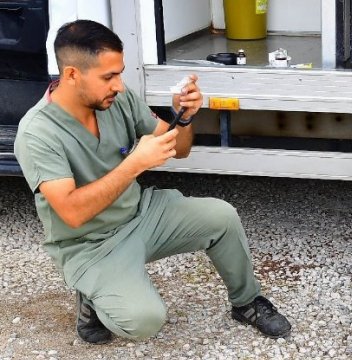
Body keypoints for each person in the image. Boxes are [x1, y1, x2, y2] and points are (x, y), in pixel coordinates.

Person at [14, 19, 291, 344]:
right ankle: (91, 294)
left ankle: (246, 302)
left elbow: (181, 148)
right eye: (109, 76)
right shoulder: (37, 132)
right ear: (72, 74)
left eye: (119, 73)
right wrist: (134, 164)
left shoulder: (117, 99)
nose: (119, 85)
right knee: (144, 321)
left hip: (139, 215)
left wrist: (184, 117)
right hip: (89, 243)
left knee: (222, 217)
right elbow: (71, 213)